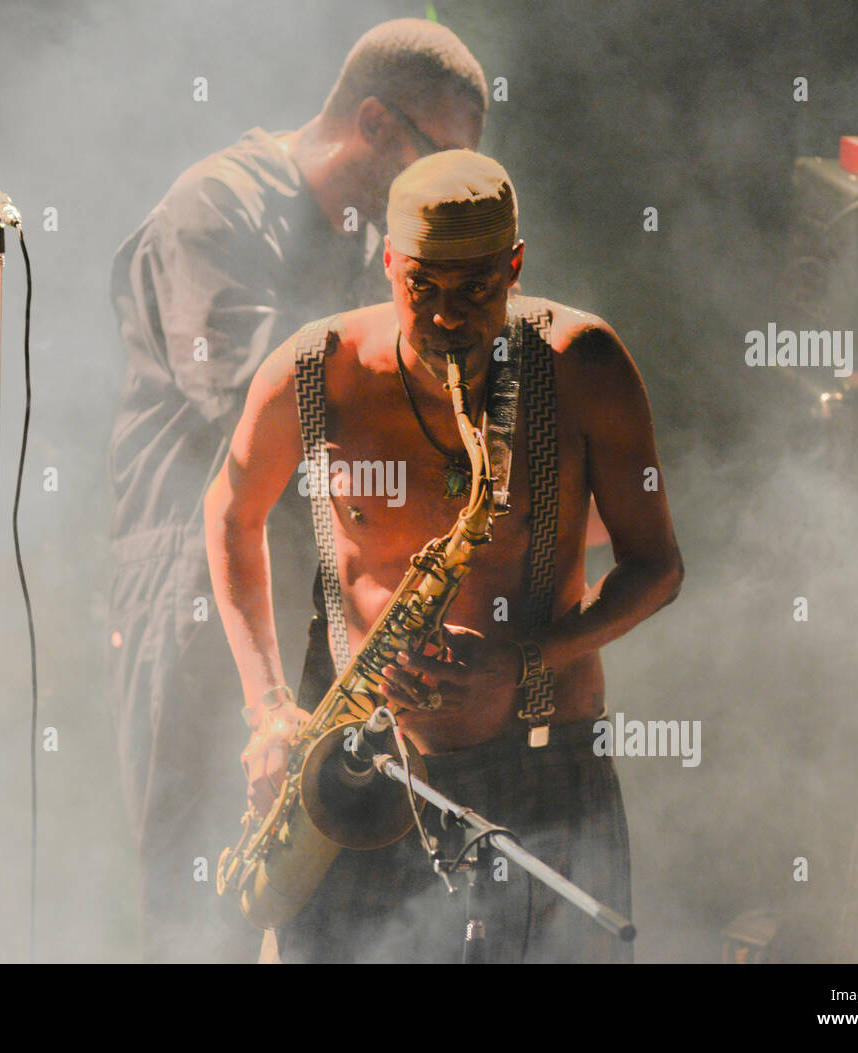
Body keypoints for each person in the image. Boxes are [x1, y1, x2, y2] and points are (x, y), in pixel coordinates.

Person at [204, 150, 684, 962]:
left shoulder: (584, 367)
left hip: (542, 767)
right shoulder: (313, 371)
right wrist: (268, 709)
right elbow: (227, 515)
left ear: (516, 265)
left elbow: (658, 567)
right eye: (422, 286)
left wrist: (521, 659)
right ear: (389, 261)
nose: (448, 318)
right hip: (357, 769)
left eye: (475, 289)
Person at [106, 19, 489, 963]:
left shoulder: (370, 243)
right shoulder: (216, 208)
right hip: (193, 590)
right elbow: (269, 405)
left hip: (318, 608)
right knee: (199, 902)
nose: (446, 196)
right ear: (373, 123)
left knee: (339, 911)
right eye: (438, 161)